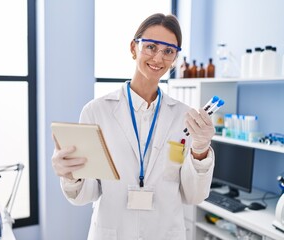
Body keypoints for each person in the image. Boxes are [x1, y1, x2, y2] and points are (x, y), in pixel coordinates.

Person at [52, 13, 215, 240]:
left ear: (175, 58)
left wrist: (200, 149)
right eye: (150, 47)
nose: (158, 57)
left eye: (168, 51)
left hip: (165, 232)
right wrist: (70, 175)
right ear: (133, 48)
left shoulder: (184, 117)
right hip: (113, 231)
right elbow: (85, 194)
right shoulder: (97, 111)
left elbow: (194, 195)